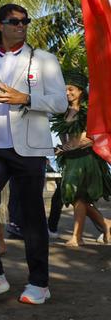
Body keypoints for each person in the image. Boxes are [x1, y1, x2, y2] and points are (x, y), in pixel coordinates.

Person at [0, 4, 67, 305]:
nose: (21, 26)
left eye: (25, 21)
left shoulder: (43, 59)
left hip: (29, 150)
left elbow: (60, 102)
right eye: (14, 21)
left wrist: (26, 99)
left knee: (31, 216)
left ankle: (39, 282)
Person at [51, 72, 111, 247]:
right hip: (70, 160)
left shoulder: (88, 113)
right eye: (65, 90)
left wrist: (68, 147)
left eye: (71, 89)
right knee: (78, 197)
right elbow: (65, 139)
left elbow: (90, 138)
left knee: (79, 196)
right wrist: (61, 149)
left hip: (86, 160)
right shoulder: (63, 112)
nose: (67, 93)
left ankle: (77, 237)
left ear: (80, 91)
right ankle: (106, 225)